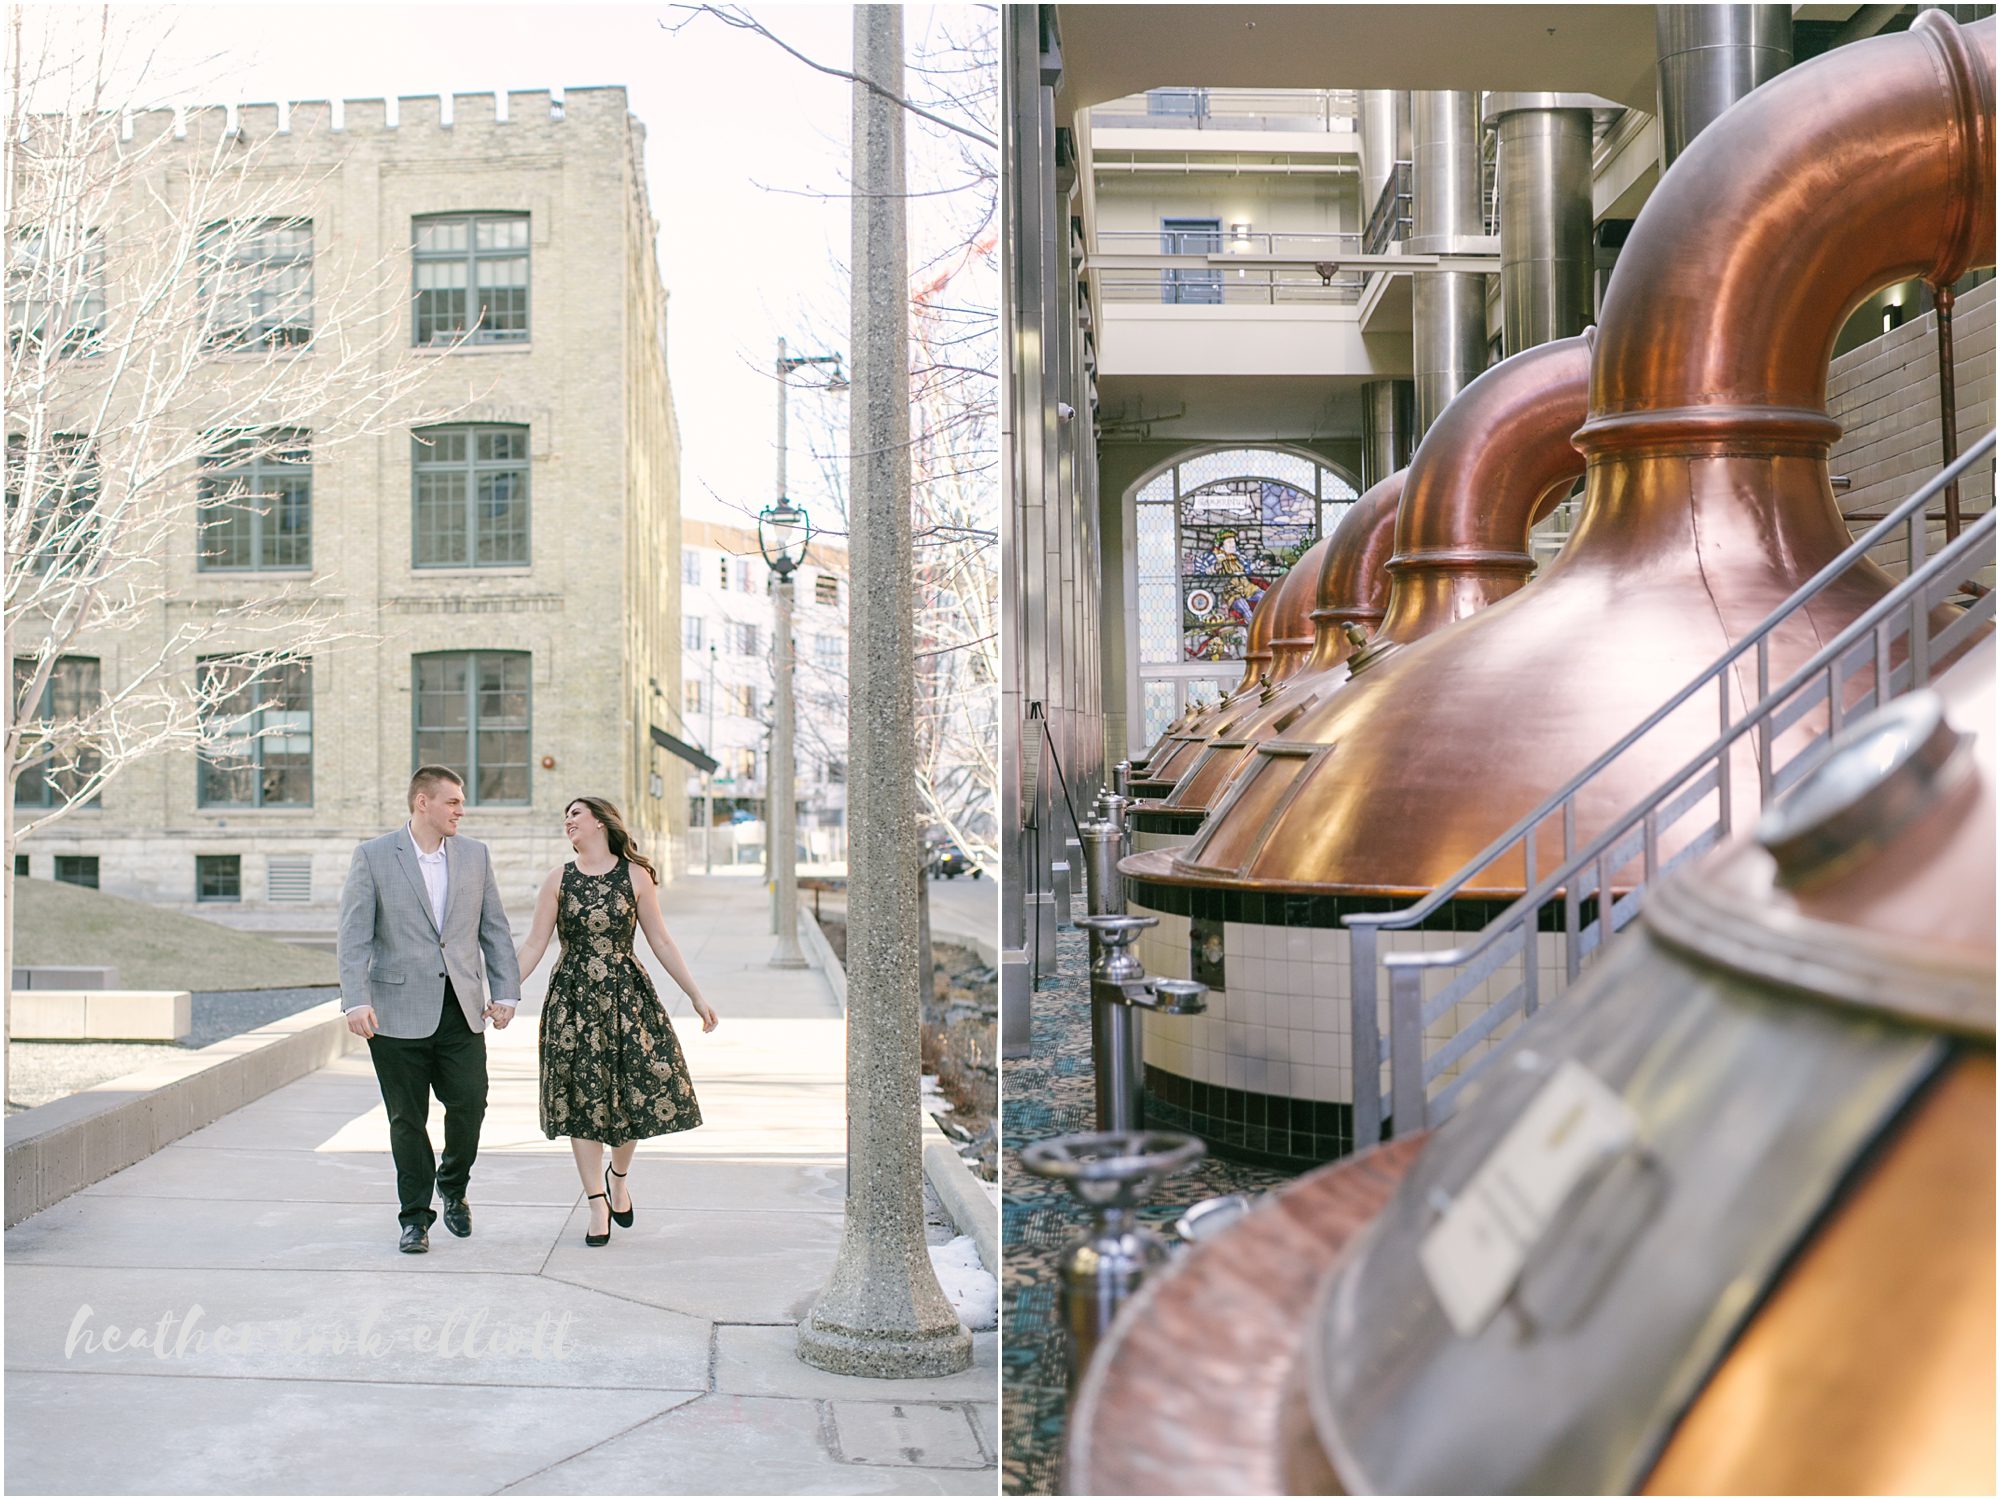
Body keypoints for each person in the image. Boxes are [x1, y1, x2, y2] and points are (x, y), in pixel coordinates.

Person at [514, 796, 718, 1246]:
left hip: (627, 997)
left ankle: (618, 1177)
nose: (568, 821)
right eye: (565, 816)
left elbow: (661, 941)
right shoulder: (558, 880)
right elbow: (533, 944)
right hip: (573, 1001)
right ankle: (596, 1203)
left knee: (636, 1091)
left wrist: (695, 995)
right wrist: (504, 992)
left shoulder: (635, 876)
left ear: (601, 822)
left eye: (576, 814)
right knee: (582, 1101)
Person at [337, 766, 522, 1254]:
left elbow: (494, 928)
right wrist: (356, 999)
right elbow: (354, 936)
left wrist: (506, 992)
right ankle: (414, 1218)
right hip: (394, 1013)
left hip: (461, 1009)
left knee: (470, 1103)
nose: (461, 810)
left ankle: (453, 1184)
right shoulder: (374, 856)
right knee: (407, 1118)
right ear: (423, 803)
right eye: (453, 802)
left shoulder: (476, 855)